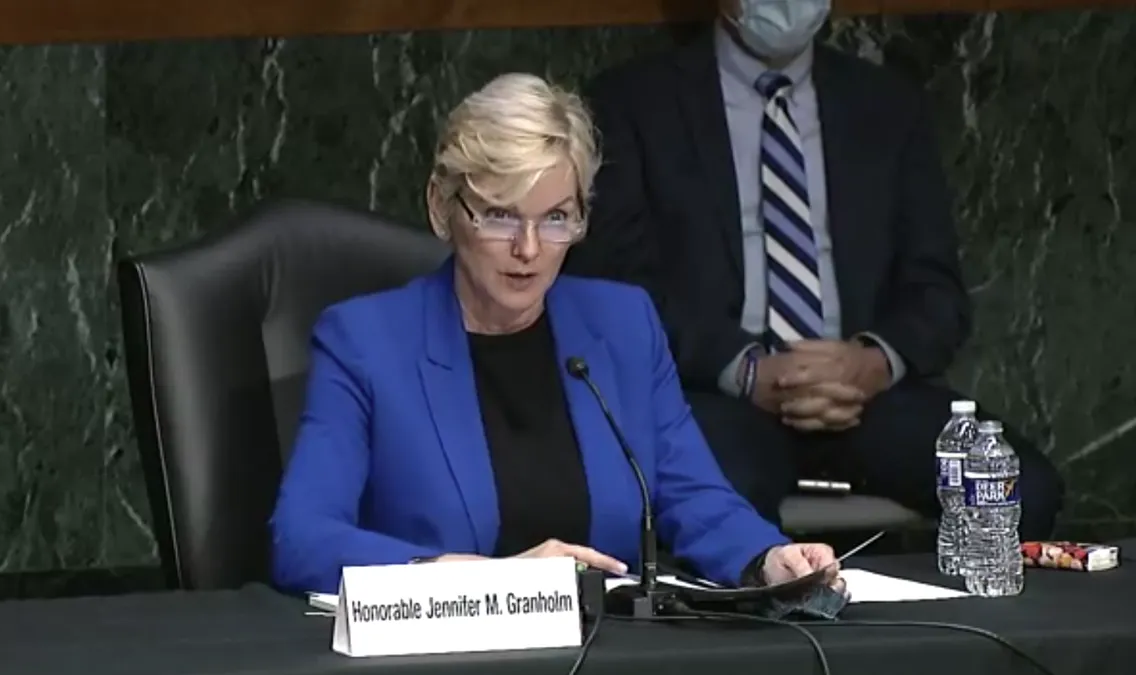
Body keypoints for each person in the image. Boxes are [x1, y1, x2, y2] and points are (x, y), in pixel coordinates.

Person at [271, 73, 840, 594]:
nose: (529, 248)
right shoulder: (364, 342)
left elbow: (694, 495)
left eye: (555, 218)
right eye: (499, 215)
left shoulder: (621, 324)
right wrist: (482, 579)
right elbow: (302, 539)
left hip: (605, 652)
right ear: (442, 208)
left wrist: (768, 557)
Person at [566, 0, 1064, 540]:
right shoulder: (632, 104)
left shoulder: (887, 105)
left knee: (1023, 491)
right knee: (712, 507)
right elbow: (615, 284)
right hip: (712, 391)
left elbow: (937, 290)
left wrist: (872, 362)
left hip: (865, 394)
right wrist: (748, 371)